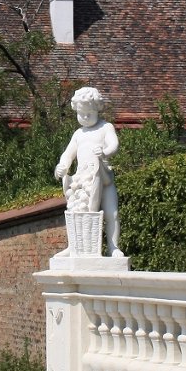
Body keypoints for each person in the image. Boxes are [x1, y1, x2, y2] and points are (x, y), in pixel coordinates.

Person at [54, 86, 123, 257]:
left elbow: (114, 144)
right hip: (83, 181)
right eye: (81, 114)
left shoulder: (105, 127)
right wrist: (62, 166)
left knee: (112, 214)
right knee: (75, 213)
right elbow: (68, 154)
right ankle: (73, 247)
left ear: (97, 110)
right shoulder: (78, 134)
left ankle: (113, 247)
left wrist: (104, 152)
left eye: (89, 114)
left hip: (103, 178)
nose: (85, 117)